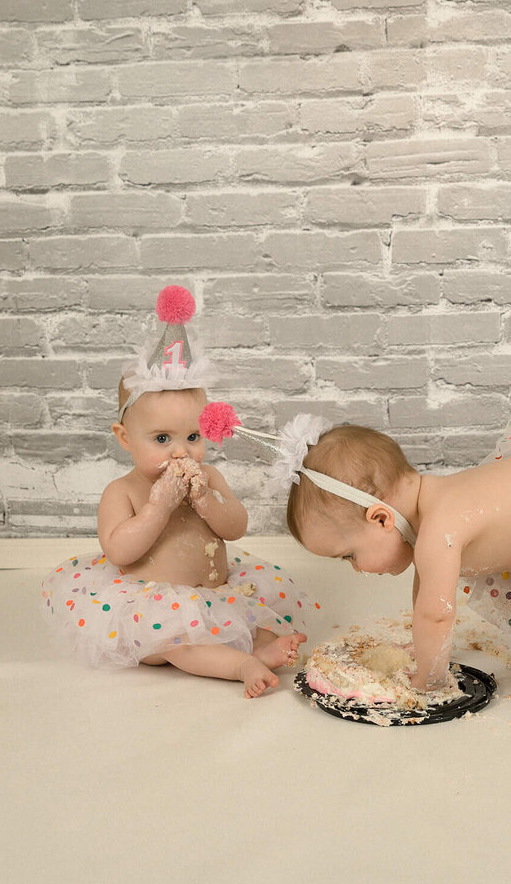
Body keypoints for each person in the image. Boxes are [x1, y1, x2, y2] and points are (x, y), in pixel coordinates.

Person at [266, 359, 511, 722]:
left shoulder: (439, 530)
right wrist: (421, 651)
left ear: (381, 518)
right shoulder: (431, 516)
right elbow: (424, 598)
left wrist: (428, 679)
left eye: (349, 555)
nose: (356, 567)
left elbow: (436, 615)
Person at [40, 286, 313, 698]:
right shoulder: (124, 491)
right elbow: (119, 551)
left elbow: (236, 527)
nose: (182, 451)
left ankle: (262, 644)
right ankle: (241, 664)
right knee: (179, 644)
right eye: (162, 438)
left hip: (213, 593)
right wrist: (157, 507)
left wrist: (206, 500)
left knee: (243, 619)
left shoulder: (209, 477)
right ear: (125, 437)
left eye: (192, 435)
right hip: (152, 611)